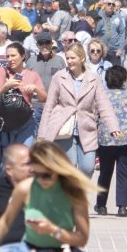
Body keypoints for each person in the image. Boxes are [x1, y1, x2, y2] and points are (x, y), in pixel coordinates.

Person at [37, 41, 120, 177]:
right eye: (67, 58)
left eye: (72, 58)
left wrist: (113, 126)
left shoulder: (94, 79)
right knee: (70, 166)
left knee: (88, 167)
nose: (69, 61)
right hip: (64, 129)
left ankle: (77, 192)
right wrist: (42, 133)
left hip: (87, 128)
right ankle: (71, 196)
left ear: (82, 58)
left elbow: (103, 104)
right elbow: (49, 106)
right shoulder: (59, 77)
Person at [95, 66, 127, 216]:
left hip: (106, 139)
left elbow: (95, 116)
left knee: (105, 172)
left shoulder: (102, 97)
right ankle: (122, 206)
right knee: (124, 172)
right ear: (123, 80)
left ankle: (101, 205)